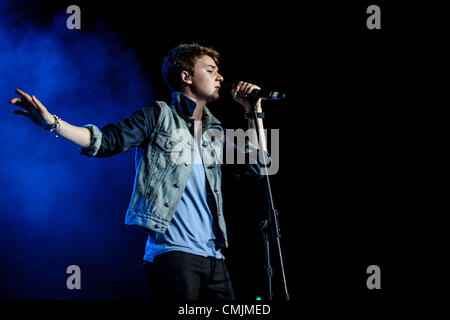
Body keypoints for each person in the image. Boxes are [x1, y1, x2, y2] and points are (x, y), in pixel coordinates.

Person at [9, 43, 268, 300]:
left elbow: (261, 164)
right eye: (211, 70)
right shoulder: (158, 115)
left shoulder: (215, 132)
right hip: (174, 256)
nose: (220, 77)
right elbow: (104, 140)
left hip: (214, 258)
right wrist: (52, 123)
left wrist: (252, 110)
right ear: (186, 76)